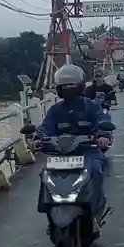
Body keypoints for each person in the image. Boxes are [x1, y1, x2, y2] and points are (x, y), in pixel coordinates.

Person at [32, 64, 112, 215]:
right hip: (62, 153)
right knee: (45, 172)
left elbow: (102, 120)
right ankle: (48, 208)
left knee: (95, 169)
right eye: (65, 86)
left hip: (88, 151)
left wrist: (102, 135)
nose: (69, 89)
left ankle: (95, 209)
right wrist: (38, 137)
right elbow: (46, 126)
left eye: (72, 85)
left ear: (80, 86)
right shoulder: (55, 110)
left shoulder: (92, 106)